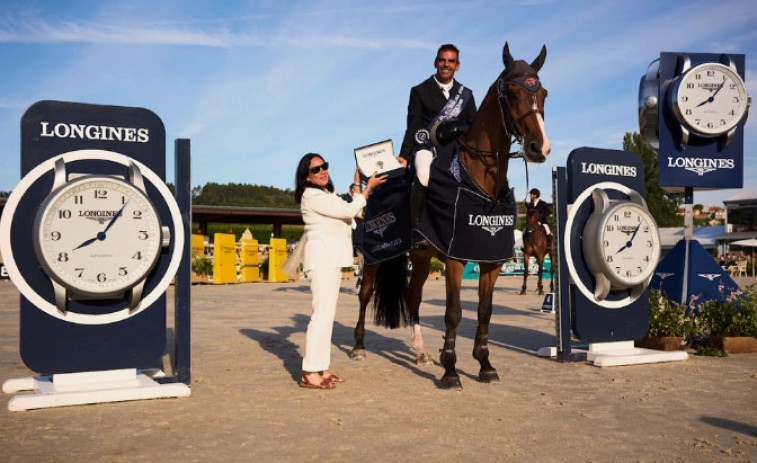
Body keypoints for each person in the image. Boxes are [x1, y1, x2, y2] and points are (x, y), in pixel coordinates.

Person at [292, 153, 387, 390]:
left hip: (329, 261)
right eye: (316, 169)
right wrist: (367, 190)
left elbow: (349, 208)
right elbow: (349, 211)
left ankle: (321, 368)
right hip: (322, 261)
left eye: (324, 166)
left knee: (326, 318)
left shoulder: (324, 194)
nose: (323, 171)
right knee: (320, 317)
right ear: (306, 176)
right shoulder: (311, 195)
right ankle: (309, 372)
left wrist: (357, 184)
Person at [398, 44, 477, 227]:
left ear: (457, 65)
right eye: (442, 60)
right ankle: (417, 227)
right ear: (436, 62)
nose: (446, 65)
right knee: (424, 174)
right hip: (427, 147)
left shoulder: (466, 95)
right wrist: (404, 155)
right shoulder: (419, 91)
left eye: (451, 61)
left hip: (456, 150)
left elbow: (473, 125)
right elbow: (412, 126)